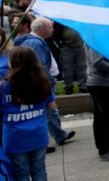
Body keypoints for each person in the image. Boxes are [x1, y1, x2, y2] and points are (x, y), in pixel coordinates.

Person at [1, 47, 57, 181]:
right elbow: (52, 106)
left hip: (15, 137)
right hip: (38, 134)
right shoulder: (42, 82)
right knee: (39, 170)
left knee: (21, 173)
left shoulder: (5, 85)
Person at [15, 17, 75, 147]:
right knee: (48, 111)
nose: (52, 30)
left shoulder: (35, 41)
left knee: (50, 112)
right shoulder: (36, 43)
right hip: (43, 83)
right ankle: (53, 137)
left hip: (43, 82)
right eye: (50, 27)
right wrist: (46, 83)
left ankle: (59, 135)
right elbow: (40, 66)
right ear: (42, 29)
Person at [85, 46, 109, 162]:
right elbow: (98, 62)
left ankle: (105, 146)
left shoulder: (94, 41)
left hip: (100, 83)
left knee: (101, 116)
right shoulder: (95, 43)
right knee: (106, 117)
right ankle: (104, 150)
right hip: (99, 84)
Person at [59, 26, 88, 95]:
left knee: (82, 66)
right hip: (66, 46)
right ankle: (68, 86)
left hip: (80, 45)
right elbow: (56, 32)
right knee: (67, 67)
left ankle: (83, 86)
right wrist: (61, 44)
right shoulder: (61, 19)